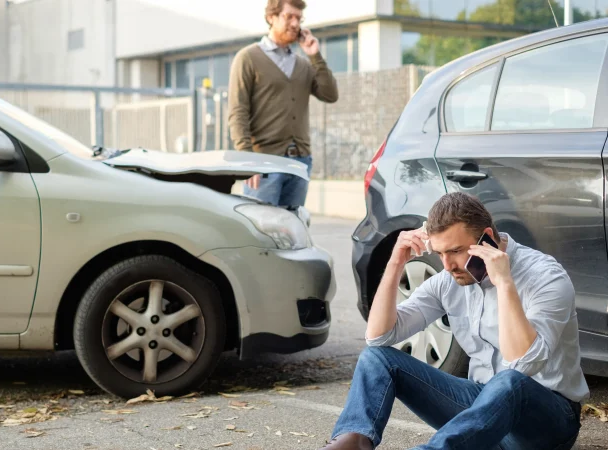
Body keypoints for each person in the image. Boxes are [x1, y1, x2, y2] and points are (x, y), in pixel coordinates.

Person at [323, 192, 588, 450]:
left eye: (456, 251)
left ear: (487, 240)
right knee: (376, 358)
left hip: (543, 423)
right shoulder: (448, 281)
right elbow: (379, 336)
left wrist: (504, 283)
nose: (447, 265)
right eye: (439, 254)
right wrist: (395, 262)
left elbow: (523, 363)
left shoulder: (545, 276)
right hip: (480, 412)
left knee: (510, 382)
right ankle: (353, 442)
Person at [227, 0, 338, 208]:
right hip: (264, 163)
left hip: (300, 162)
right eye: (289, 17)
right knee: (260, 231)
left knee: (291, 232)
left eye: (299, 18)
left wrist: (315, 56)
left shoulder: (303, 64)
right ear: (271, 17)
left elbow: (330, 94)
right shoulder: (248, 58)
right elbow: (237, 112)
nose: (295, 24)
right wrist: (248, 159)